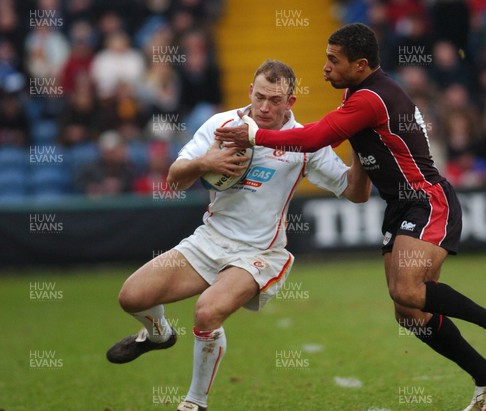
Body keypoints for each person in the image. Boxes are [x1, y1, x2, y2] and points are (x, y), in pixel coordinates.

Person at [215, 23, 486, 411]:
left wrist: (253, 136)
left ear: (360, 64)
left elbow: (314, 139)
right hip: (398, 207)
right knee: (409, 312)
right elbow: (341, 146)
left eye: (334, 60)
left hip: (426, 201)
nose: (325, 67)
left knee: (408, 290)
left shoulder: (372, 98)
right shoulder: (357, 93)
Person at [105, 59, 370, 411]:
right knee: (131, 297)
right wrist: (206, 164)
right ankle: (159, 334)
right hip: (208, 240)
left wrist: (363, 150)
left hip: (258, 253)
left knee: (207, 312)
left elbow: (356, 192)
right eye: (259, 96)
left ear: (291, 102)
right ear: (250, 91)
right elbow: (174, 179)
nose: (264, 106)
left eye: (275, 100)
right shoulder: (222, 124)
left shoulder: (305, 143)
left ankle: (195, 402)